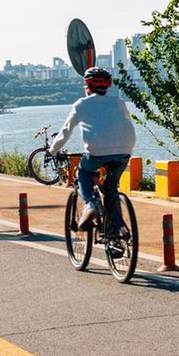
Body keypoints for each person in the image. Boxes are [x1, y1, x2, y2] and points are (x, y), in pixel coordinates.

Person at [49, 67, 136, 236]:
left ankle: (89, 204)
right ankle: (118, 230)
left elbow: (65, 132)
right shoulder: (119, 102)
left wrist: (53, 151)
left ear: (87, 86)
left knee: (83, 171)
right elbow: (123, 124)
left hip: (97, 151)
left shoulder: (81, 104)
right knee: (111, 189)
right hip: (125, 149)